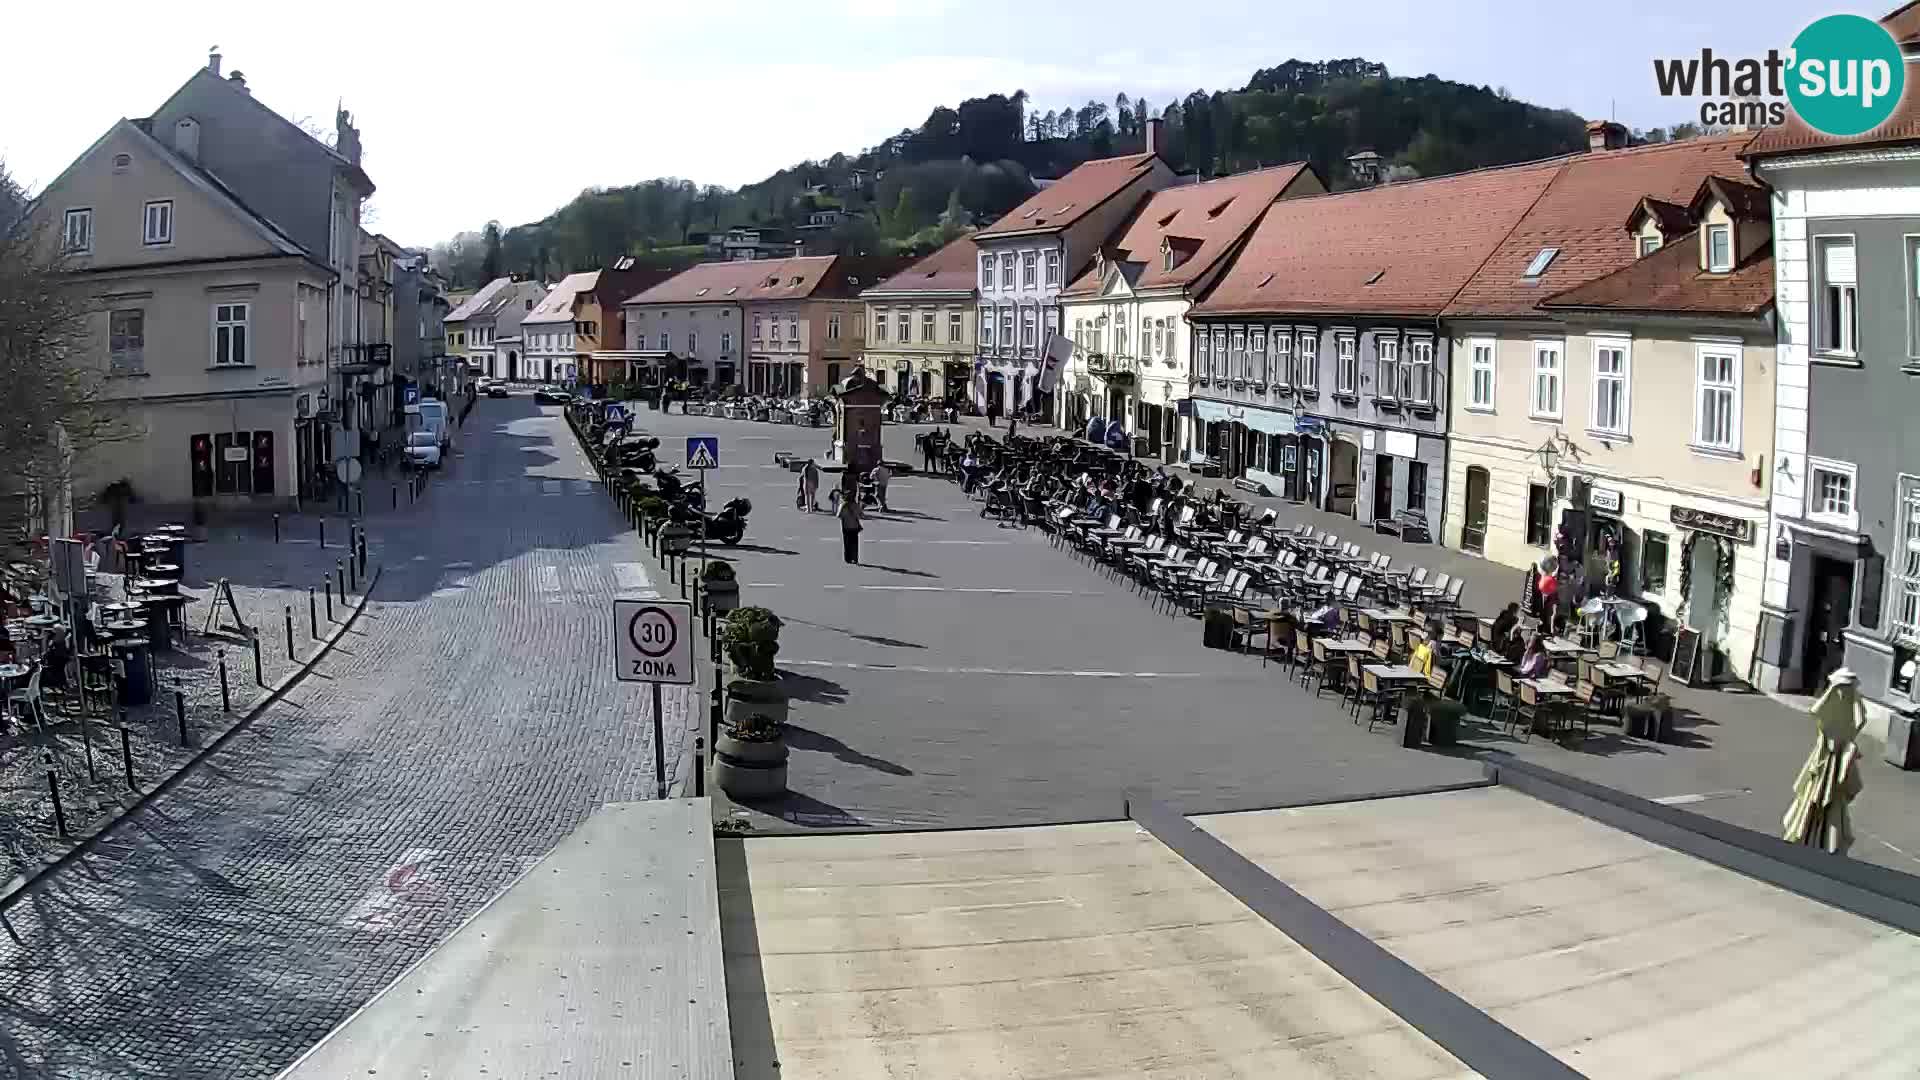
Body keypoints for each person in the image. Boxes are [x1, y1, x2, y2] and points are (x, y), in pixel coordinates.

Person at [837, 478, 864, 564]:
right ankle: (855, 557)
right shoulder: (855, 505)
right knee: (855, 543)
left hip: (846, 526)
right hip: (854, 526)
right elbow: (861, 515)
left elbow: (839, 515)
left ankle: (847, 558)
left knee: (847, 543)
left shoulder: (843, 505)